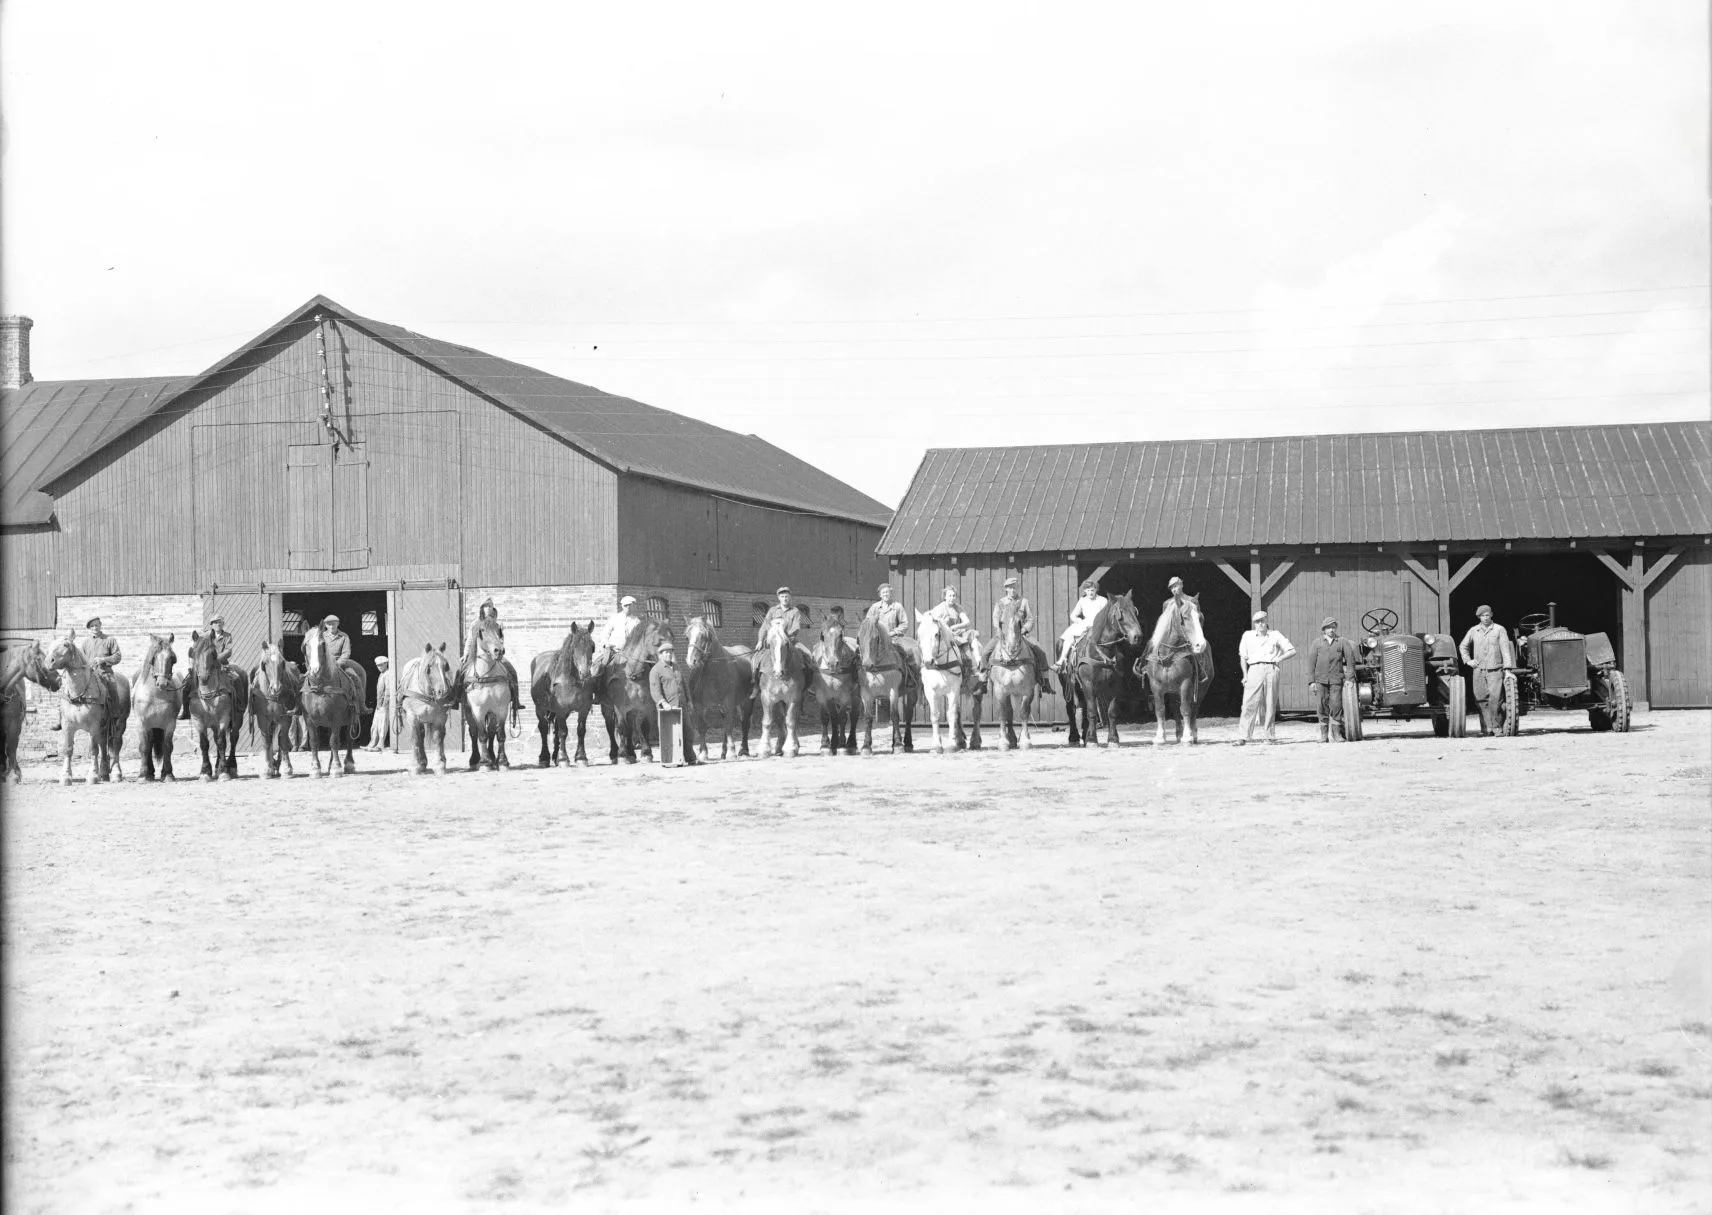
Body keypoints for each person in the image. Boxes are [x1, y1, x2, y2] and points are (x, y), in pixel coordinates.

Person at [1234, 610, 1296, 745]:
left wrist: (1279, 658)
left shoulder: (1275, 635)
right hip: (1254, 669)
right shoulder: (1247, 636)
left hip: (1271, 669)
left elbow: (1292, 650)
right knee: (1248, 703)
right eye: (1257, 622)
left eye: (1262, 621)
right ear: (1254, 624)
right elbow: (1243, 657)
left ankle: (1269, 736)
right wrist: (1245, 675)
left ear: (1266, 621)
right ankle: (1243, 736)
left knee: (1270, 703)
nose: (1260, 624)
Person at [984, 576, 1052, 693]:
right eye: (1011, 588)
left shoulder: (1024, 602)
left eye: (1015, 587)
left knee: (1041, 652)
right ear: (1006, 589)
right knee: (985, 652)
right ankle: (984, 680)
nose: (1013, 590)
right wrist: (998, 629)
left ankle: (1045, 681)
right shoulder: (1000, 603)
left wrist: (1024, 629)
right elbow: (995, 618)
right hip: (1003, 635)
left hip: (1021, 634)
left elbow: (1030, 619)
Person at [1458, 604, 1517, 736]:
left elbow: (1505, 649)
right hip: (1478, 670)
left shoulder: (1499, 629)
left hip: (1495, 670)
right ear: (1479, 617)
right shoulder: (1474, 630)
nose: (1485, 618)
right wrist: (1468, 661)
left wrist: (1507, 669)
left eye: (1487, 615)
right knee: (1480, 699)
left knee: (1495, 699)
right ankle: (1486, 728)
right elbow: (1463, 646)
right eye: (1482, 616)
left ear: (1491, 615)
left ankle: (1497, 728)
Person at [55, 617, 122, 730]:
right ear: (89, 629)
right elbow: (81, 658)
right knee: (66, 690)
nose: (94, 628)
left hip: (105, 673)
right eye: (92, 626)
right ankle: (61, 719)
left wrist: (103, 660)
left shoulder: (110, 640)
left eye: (96, 625)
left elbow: (118, 656)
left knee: (113, 689)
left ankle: (115, 718)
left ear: (100, 625)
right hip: (89, 674)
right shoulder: (86, 643)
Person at [453, 597, 519, 710]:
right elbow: (469, 640)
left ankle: (516, 701)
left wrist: (501, 647)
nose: (489, 608)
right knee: (460, 671)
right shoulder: (475, 624)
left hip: (496, 654)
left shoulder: (497, 625)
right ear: (482, 609)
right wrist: (466, 654)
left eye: (490, 606)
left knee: (512, 671)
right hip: (476, 654)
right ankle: (455, 698)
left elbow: (501, 639)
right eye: (486, 606)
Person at [1306, 616, 1359, 742]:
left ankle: (1337, 735)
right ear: (1324, 629)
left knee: (1336, 705)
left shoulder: (1342, 641)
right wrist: (1311, 681)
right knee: (1321, 706)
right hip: (1320, 680)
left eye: (1333, 627)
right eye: (1329, 627)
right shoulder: (1317, 643)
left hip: (1336, 680)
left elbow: (1350, 661)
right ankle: (1324, 736)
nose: (1331, 630)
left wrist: (1350, 679)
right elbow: (1311, 664)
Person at [648, 639, 699, 764]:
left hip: (682, 706)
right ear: (660, 655)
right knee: (670, 735)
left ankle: (690, 758)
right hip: (668, 709)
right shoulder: (656, 670)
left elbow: (684, 685)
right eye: (665, 653)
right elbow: (655, 690)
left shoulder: (676, 667)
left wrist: (689, 701)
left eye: (670, 652)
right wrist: (663, 703)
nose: (668, 655)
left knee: (688, 732)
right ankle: (671, 759)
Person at [179, 614, 234, 719]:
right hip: (204, 666)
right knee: (186, 685)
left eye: (220, 622)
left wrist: (217, 658)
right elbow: (195, 648)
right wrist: (192, 663)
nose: (218, 624)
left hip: (221, 665)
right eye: (215, 622)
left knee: (236, 680)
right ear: (212, 625)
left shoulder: (227, 636)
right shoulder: (205, 636)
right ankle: (186, 711)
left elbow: (228, 650)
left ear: (223, 624)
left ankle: (235, 709)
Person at [1055, 580, 1108, 670]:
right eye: (1088, 590)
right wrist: (1078, 620)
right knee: (1070, 636)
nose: (1090, 592)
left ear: (1096, 590)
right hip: (1085, 624)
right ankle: (1061, 660)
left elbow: (1106, 614)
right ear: (1084, 591)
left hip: (1100, 624)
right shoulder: (1082, 601)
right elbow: (1073, 615)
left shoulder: (1102, 600)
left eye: (1092, 590)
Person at [594, 595, 647, 673]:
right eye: (625, 606)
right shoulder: (615, 618)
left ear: (633, 606)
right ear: (622, 606)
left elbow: (641, 638)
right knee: (601, 666)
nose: (627, 608)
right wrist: (606, 644)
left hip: (630, 654)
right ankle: (598, 681)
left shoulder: (636, 621)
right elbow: (605, 633)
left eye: (629, 605)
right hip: (614, 651)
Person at [927, 586, 976, 668]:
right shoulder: (939, 608)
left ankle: (971, 669)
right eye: (950, 596)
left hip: (956, 635)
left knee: (967, 649)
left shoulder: (958, 608)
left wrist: (956, 626)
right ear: (945, 597)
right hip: (944, 636)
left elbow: (967, 622)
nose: (952, 598)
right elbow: (932, 622)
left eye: (954, 596)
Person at [365, 655, 395, 751]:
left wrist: (384, 704)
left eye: (381, 665)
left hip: (384, 704)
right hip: (379, 704)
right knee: (375, 725)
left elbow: (388, 690)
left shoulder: (388, 674)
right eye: (378, 665)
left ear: (386, 664)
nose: (380, 667)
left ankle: (380, 744)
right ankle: (372, 743)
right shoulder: (381, 674)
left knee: (382, 724)